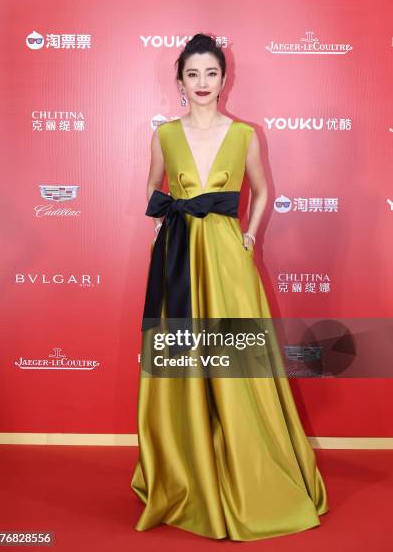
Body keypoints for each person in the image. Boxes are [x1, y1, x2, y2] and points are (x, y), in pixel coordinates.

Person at [130, 33, 329, 541]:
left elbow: (261, 190)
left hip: (227, 260)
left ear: (225, 78)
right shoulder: (164, 135)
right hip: (178, 261)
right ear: (179, 81)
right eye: (192, 74)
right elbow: (155, 187)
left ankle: (251, 475)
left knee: (239, 364)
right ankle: (188, 472)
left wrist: (248, 236)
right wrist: (162, 230)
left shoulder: (245, 136)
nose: (202, 82)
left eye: (211, 73)